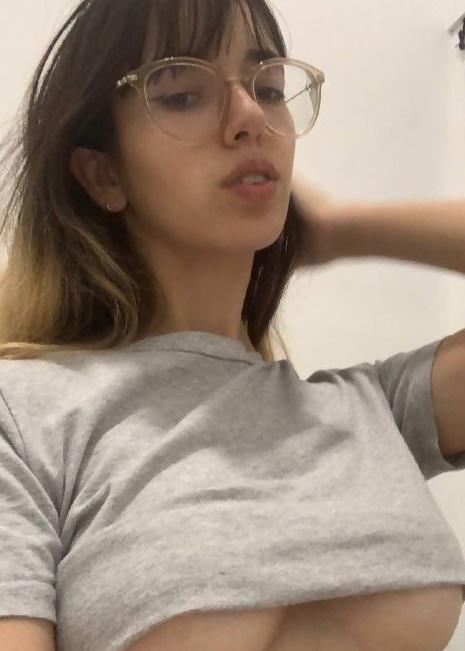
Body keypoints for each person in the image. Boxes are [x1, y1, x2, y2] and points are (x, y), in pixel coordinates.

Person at [0, 1, 464, 651]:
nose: (250, 116)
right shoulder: (24, 415)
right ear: (104, 173)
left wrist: (343, 227)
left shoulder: (372, 411)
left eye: (268, 87)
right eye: (183, 94)